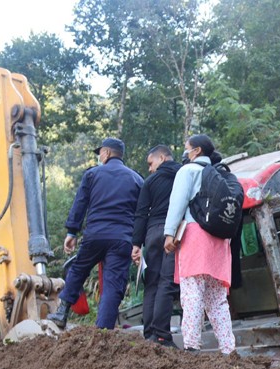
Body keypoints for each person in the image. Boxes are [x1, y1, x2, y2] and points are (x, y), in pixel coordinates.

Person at [49, 137, 144, 329]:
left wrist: (72, 232)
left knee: (78, 270)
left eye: (100, 152)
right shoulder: (137, 179)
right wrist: (138, 243)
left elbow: (80, 203)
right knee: (113, 285)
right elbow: (141, 214)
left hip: (95, 235)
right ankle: (103, 332)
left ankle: (61, 313)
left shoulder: (92, 174)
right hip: (122, 239)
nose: (99, 156)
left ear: (107, 153)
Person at [163, 134, 237, 354]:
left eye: (187, 149)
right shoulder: (220, 175)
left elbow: (177, 203)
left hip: (195, 237)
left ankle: (192, 344)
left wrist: (169, 233)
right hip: (219, 241)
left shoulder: (187, 171)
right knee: (217, 299)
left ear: (196, 151)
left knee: (192, 292)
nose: (185, 153)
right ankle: (228, 348)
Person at [132, 144, 182, 346]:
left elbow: (141, 213)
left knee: (151, 283)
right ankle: (162, 335)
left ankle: (150, 334)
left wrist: (136, 243)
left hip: (152, 233)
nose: (150, 169)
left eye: (151, 163)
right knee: (166, 282)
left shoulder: (150, 181)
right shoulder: (183, 174)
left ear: (162, 158)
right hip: (175, 232)